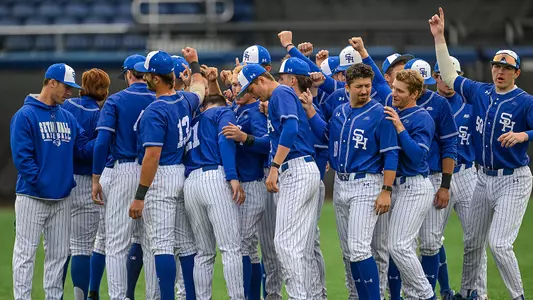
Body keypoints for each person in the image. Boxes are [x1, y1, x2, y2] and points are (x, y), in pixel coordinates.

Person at [430, 7, 533, 300]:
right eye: (496, 66)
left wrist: (525, 134)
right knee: (472, 242)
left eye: (506, 68)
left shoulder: (525, 102)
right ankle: (467, 294)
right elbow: (449, 75)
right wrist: (440, 37)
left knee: (499, 244)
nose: (500, 71)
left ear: (516, 72)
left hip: (513, 179)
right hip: (483, 178)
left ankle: (518, 297)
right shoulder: (480, 92)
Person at [300, 62, 399, 300]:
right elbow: (327, 135)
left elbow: (391, 153)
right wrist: (311, 111)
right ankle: (356, 296)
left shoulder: (380, 113)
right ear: (347, 86)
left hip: (368, 183)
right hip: (342, 183)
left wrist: (386, 189)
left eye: (367, 86)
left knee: (359, 249)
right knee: (348, 251)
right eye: (359, 86)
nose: (364, 90)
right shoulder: (341, 111)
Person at [11, 63, 93, 300]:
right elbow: (22, 158)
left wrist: (105, 140)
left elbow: (82, 148)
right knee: (25, 254)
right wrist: (42, 182)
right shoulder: (25, 115)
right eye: (67, 87)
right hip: (32, 196)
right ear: (51, 82)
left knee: (58, 255)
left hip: (62, 199)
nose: (70, 92)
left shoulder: (67, 116)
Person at [237, 64, 320, 299]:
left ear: (262, 79)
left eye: (252, 87)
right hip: (303, 168)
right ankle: (306, 295)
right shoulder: (278, 98)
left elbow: (291, 128)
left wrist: (274, 167)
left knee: (283, 243)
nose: (252, 94)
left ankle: (298, 296)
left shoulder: (281, 92)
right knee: (298, 247)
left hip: (294, 168)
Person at [128, 49, 205, 300]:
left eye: (149, 74)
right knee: (186, 245)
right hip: (182, 174)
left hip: (161, 176)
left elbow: (152, 156)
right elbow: (201, 86)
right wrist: (194, 63)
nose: (145, 77)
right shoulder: (184, 100)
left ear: (157, 79)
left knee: (161, 244)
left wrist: (140, 195)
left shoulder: (155, 110)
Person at [91, 53, 158, 300]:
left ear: (129, 74)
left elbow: (101, 143)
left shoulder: (116, 100)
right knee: (152, 244)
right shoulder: (158, 98)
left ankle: (119, 297)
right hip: (155, 172)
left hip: (125, 169)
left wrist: (96, 177)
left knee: (116, 244)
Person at [432, 57, 489, 300]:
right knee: (431, 240)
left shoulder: (471, 103)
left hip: (467, 174)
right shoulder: (428, 104)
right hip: (436, 177)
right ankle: (428, 292)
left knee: (476, 238)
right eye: (444, 76)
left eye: (453, 76)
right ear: (435, 77)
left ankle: (479, 293)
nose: (448, 81)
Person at [183, 93, 246, 299]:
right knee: (230, 249)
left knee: (203, 253)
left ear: (203, 106)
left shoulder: (193, 120)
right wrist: (232, 176)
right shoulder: (223, 111)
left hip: (190, 183)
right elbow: (226, 141)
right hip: (214, 178)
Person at [276, 57, 328, 299]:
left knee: (287, 244)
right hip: (308, 174)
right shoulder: (294, 102)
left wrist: (311, 107)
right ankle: (314, 296)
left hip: (299, 172)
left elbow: (325, 135)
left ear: (292, 79)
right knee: (304, 246)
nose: (279, 81)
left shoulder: (300, 103)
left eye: (282, 76)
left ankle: (302, 296)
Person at [61, 68, 111, 299]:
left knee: (58, 247)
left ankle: (55, 295)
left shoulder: (64, 107)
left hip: (60, 182)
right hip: (86, 182)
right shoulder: (100, 114)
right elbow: (92, 150)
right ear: (103, 89)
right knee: (82, 248)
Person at [221, 64, 270, 300]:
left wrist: (245, 138)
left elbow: (267, 144)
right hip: (241, 185)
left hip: (253, 184)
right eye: (233, 85)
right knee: (247, 248)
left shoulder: (255, 111)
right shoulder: (238, 109)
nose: (234, 89)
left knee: (243, 244)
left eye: (239, 85)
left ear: (251, 89)